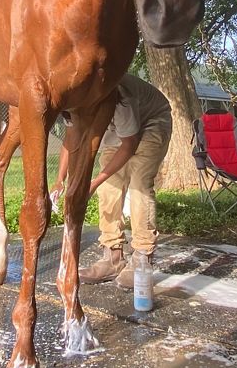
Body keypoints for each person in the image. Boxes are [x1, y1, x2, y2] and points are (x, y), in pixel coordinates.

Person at [53, 73, 171, 289]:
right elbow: (70, 140)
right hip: (119, 132)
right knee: (108, 190)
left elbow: (129, 145)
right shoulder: (72, 99)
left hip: (152, 121)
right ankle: (113, 258)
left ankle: (142, 258)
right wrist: (59, 180)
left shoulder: (118, 97)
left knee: (139, 185)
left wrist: (93, 182)